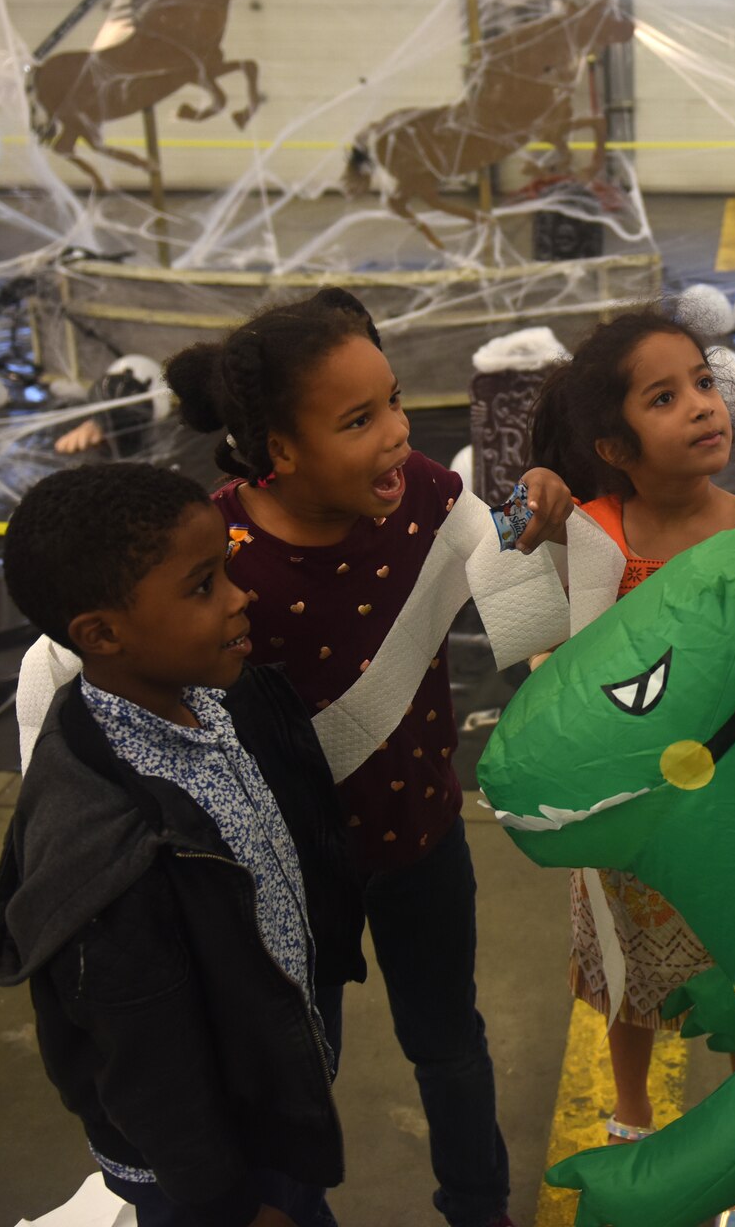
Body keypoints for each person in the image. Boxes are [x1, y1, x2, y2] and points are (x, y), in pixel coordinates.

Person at [164, 289, 573, 1227]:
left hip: (422, 836)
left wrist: (534, 518)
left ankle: (478, 1209)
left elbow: (508, 590)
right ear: (279, 452)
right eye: (359, 419)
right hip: (287, 876)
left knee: (451, 1045)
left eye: (394, 401)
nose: (397, 432)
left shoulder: (424, 492)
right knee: (298, 1064)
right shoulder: (217, 554)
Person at [0, 462, 366, 1227]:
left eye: (226, 568)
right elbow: (149, 1065)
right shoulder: (113, 853)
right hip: (202, 1167)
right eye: (203, 587)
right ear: (102, 634)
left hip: (268, 1088)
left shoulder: (224, 697)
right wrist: (226, 1203)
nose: (239, 595)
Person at [529, 309, 735, 1227]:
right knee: (628, 977)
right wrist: (535, 493)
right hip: (632, 824)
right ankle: (631, 1111)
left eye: (704, 383)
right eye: (666, 398)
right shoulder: (592, 537)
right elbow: (496, 555)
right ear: (615, 447)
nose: (705, 407)